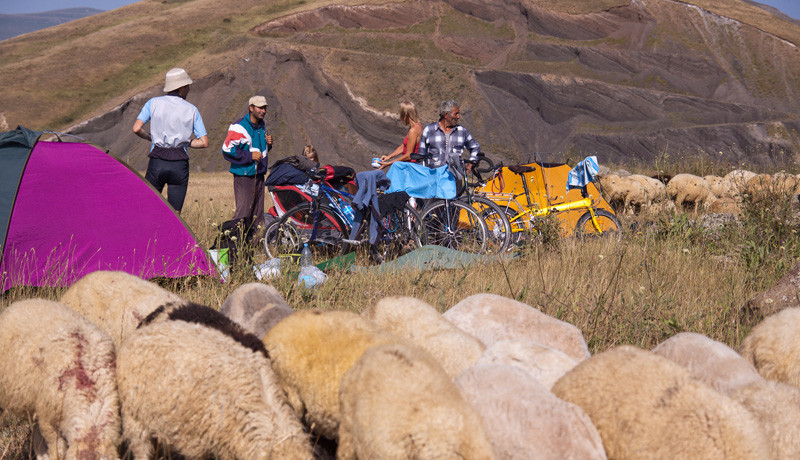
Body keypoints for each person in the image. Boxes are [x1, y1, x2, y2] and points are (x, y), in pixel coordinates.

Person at [132, 67, 209, 214]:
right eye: (187, 86)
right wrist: (185, 141)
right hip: (180, 164)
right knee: (175, 213)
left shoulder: (153, 103)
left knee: (148, 206)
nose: (189, 90)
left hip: (157, 161)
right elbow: (204, 142)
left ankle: (150, 236)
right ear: (182, 87)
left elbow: (136, 128)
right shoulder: (192, 109)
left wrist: (151, 137)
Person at [221, 95, 274, 235]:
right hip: (244, 175)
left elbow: (259, 152)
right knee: (242, 214)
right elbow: (227, 150)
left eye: (265, 108)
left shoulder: (261, 126)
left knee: (257, 215)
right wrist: (249, 156)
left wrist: (269, 145)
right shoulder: (239, 127)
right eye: (260, 108)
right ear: (251, 108)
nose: (263, 111)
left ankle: (252, 248)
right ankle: (230, 245)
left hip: (259, 175)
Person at [417, 100, 480, 172]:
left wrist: (470, 165)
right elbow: (421, 157)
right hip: (433, 178)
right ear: (446, 115)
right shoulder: (429, 130)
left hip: (453, 179)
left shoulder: (462, 132)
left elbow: (475, 147)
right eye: (455, 114)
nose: (458, 117)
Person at [378, 100, 422, 171]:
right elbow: (403, 146)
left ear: (405, 114)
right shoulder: (415, 127)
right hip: (407, 166)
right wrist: (389, 157)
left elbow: (408, 156)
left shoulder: (413, 130)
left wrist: (389, 163)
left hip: (410, 168)